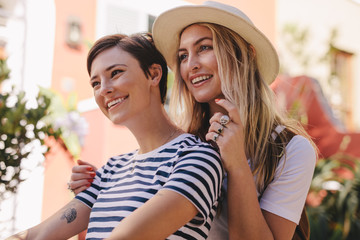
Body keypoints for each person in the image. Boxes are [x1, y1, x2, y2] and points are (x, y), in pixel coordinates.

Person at [69, 1, 317, 239]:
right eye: (183, 56)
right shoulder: (183, 145)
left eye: (204, 48)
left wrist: (238, 165)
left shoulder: (290, 149)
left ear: (246, 55)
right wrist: (101, 191)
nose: (191, 66)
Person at [6, 32, 223, 240]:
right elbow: (37, 235)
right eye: (96, 83)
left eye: (116, 73)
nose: (104, 90)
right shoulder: (112, 170)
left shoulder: (198, 158)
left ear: (154, 74)